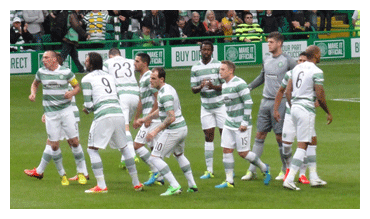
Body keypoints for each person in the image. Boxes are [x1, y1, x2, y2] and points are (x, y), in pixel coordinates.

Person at [81, 52, 143, 193]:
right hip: (118, 113)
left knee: (92, 149)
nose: (85, 62)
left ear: (91, 63)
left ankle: (101, 185)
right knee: (124, 148)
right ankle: (136, 182)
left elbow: (89, 105)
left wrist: (86, 109)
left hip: (104, 115)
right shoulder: (110, 76)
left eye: (86, 60)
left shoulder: (86, 79)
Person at [242, 31, 296, 181]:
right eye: (268, 42)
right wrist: (250, 87)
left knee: (279, 137)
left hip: (280, 102)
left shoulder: (288, 60)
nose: (268, 44)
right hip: (265, 101)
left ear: (279, 43)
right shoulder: (266, 58)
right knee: (259, 135)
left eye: (271, 42)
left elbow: (298, 78)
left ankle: (285, 170)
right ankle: (252, 170)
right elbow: (262, 76)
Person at [24, 50, 83, 186]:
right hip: (53, 113)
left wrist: (72, 93)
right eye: (43, 58)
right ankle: (42, 171)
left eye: (46, 58)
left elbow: (76, 88)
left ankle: (82, 172)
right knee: (54, 143)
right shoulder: (42, 72)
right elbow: (35, 84)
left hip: (68, 113)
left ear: (54, 59)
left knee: (72, 142)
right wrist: (33, 94)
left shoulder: (66, 74)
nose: (43, 60)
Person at [137, 67, 198, 196]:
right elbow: (161, 111)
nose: (150, 81)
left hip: (174, 130)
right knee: (179, 155)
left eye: (153, 78)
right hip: (182, 128)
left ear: (161, 79)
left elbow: (171, 117)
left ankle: (174, 186)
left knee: (154, 157)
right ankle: (192, 185)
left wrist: (155, 131)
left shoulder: (165, 95)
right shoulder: (167, 89)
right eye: (150, 78)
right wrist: (145, 118)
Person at [283, 45, 333, 190]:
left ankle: (314, 177)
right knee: (303, 144)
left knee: (312, 140)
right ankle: (290, 178)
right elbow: (320, 94)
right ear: (316, 55)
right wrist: (327, 111)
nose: (320, 55)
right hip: (306, 110)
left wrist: (293, 106)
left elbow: (287, 91)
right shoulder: (317, 71)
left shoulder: (296, 69)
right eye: (320, 53)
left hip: (295, 107)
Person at [215, 60, 271, 188]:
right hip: (229, 123)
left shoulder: (240, 84)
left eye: (223, 69)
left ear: (231, 71)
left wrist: (244, 122)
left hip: (241, 124)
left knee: (243, 153)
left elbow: (248, 102)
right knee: (226, 150)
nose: (220, 72)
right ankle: (229, 181)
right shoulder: (224, 85)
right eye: (220, 69)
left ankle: (264, 168)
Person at [273, 52, 312, 184]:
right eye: (299, 60)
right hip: (290, 114)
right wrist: (276, 109)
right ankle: (289, 168)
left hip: (305, 114)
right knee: (286, 145)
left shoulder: (311, 74)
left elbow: (317, 92)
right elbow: (281, 91)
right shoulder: (290, 74)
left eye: (303, 60)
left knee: (303, 144)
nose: (300, 62)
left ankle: (302, 174)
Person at [190, 41, 226, 179]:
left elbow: (225, 85)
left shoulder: (218, 65)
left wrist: (214, 86)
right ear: (200, 50)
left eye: (208, 50)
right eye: (203, 49)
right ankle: (209, 170)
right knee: (208, 136)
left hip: (220, 105)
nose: (206, 52)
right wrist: (200, 87)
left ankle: (228, 169)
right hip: (205, 107)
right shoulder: (195, 68)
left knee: (225, 137)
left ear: (212, 51)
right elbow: (193, 89)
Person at [102, 48, 139, 168]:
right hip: (135, 94)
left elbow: (105, 80)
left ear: (110, 55)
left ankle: (131, 154)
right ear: (120, 54)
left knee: (124, 127)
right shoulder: (130, 61)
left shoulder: (107, 63)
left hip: (122, 95)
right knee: (125, 125)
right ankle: (124, 159)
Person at [132, 53, 164, 186]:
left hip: (153, 118)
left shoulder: (148, 78)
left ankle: (155, 171)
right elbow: (141, 100)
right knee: (153, 148)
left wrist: (149, 116)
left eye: (137, 61)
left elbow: (158, 97)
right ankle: (159, 177)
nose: (134, 63)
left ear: (145, 64)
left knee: (137, 145)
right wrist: (136, 118)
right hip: (149, 116)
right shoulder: (143, 78)